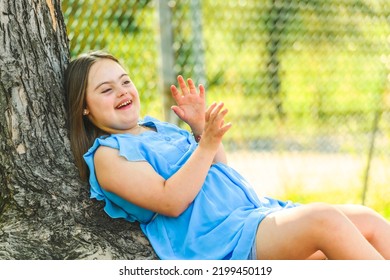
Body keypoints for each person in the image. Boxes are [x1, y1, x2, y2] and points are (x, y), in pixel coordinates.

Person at [64, 50, 390, 260]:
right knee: (325, 220)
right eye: (106, 90)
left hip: (251, 214)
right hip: (217, 243)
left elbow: (219, 169)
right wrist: (205, 144)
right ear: (84, 107)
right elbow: (171, 200)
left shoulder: (156, 128)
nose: (122, 91)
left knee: (368, 221)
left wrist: (198, 126)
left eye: (125, 81)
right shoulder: (108, 155)